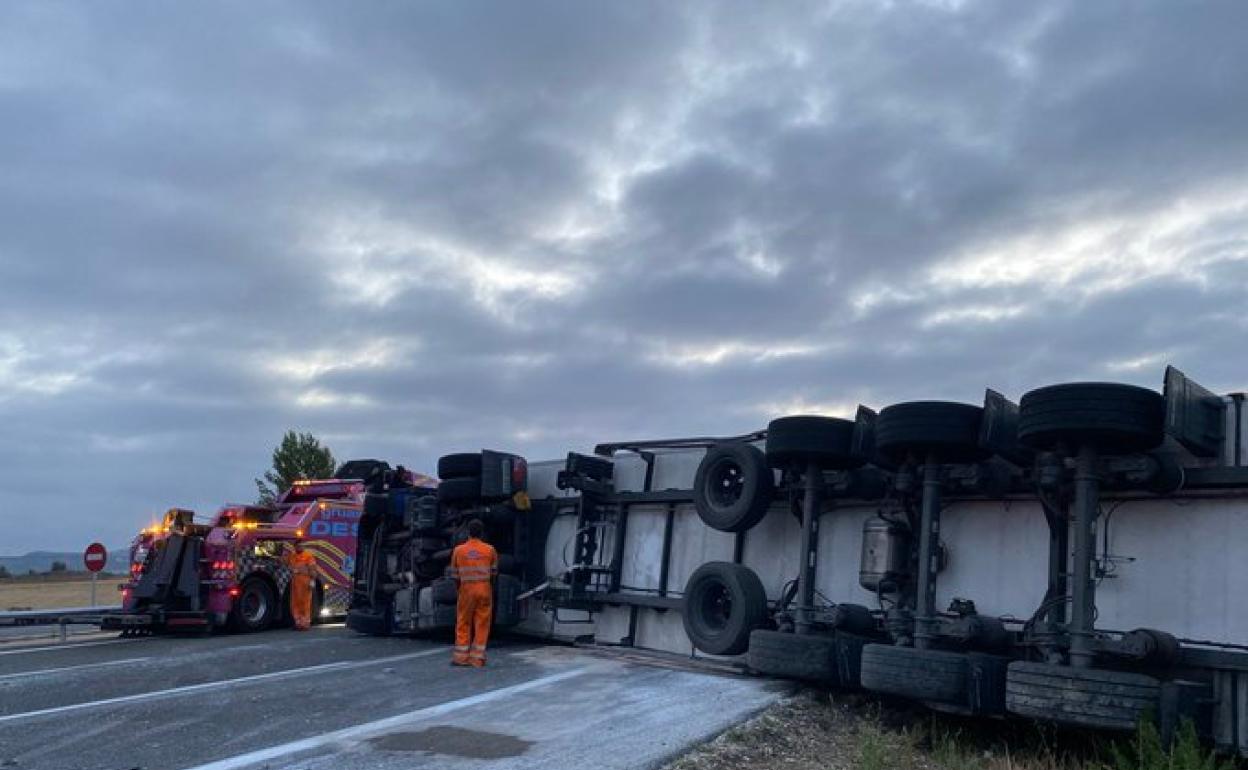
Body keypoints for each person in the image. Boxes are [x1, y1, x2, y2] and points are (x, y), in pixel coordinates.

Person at [448, 519, 497, 667]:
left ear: (468, 533)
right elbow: (494, 573)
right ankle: (477, 659)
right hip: (484, 589)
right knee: (482, 623)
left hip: (466, 590)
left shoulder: (458, 550)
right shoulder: (490, 550)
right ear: (482, 533)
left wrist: (460, 588)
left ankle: (461, 658)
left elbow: (455, 575)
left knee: (463, 622)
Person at [284, 540, 318, 631]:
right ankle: (298, 623)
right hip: (295, 582)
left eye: (301, 546)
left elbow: (313, 570)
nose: (300, 547)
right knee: (295, 603)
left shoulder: (308, 556)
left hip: (305, 583)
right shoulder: (293, 555)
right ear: (295, 547)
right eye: (298, 546)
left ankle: (305, 624)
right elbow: (286, 563)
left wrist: (312, 581)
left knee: (305, 603)